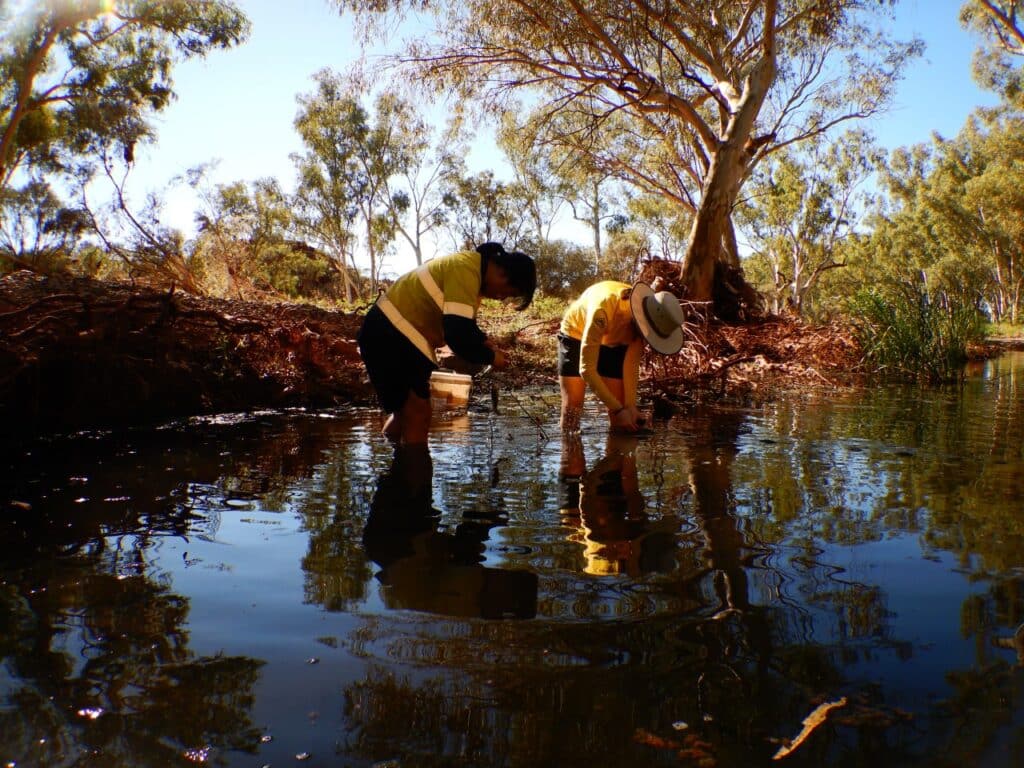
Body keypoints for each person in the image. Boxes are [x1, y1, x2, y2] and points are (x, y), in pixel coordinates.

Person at [357, 242, 536, 444]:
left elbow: (464, 324)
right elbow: (457, 335)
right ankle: (413, 473)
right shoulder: (466, 270)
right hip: (393, 334)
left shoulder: (470, 271)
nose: (500, 297)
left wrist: (483, 341)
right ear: (503, 273)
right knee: (418, 413)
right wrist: (491, 358)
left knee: (404, 413)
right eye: (506, 292)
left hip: (395, 334)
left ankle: (394, 468)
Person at [558, 279, 685, 432]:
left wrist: (629, 407)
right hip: (575, 334)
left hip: (614, 341)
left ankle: (620, 451)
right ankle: (569, 448)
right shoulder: (604, 309)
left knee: (623, 415)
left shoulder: (642, 329)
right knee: (573, 407)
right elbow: (586, 370)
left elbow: (631, 366)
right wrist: (619, 410)